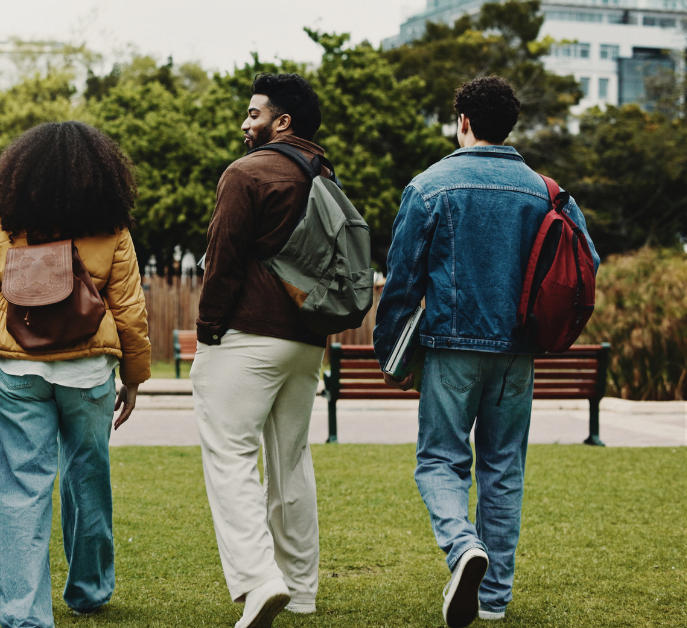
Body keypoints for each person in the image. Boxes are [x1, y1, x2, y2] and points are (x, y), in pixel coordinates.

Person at [373, 76, 599, 628]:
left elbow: (402, 280)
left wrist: (391, 353)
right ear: (509, 126)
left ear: (463, 122)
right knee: (503, 467)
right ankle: (494, 598)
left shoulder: (429, 186)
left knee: (439, 460)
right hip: (518, 351)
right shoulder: (547, 191)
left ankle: (461, 546)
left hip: (450, 346)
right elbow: (586, 262)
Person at [0, 121, 151, 628]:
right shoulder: (112, 230)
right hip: (87, 370)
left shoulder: (7, 226)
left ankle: (24, 615)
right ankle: (89, 589)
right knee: (88, 475)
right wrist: (135, 378)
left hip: (17, 368)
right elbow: (129, 309)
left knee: (22, 486)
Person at [191, 73, 330, 628]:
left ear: (282, 122)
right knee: (291, 462)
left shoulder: (246, 173)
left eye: (254, 114)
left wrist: (206, 330)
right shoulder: (322, 173)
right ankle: (300, 590)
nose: (245, 124)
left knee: (230, 459)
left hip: (247, 337)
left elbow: (222, 260)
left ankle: (257, 580)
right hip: (306, 342)